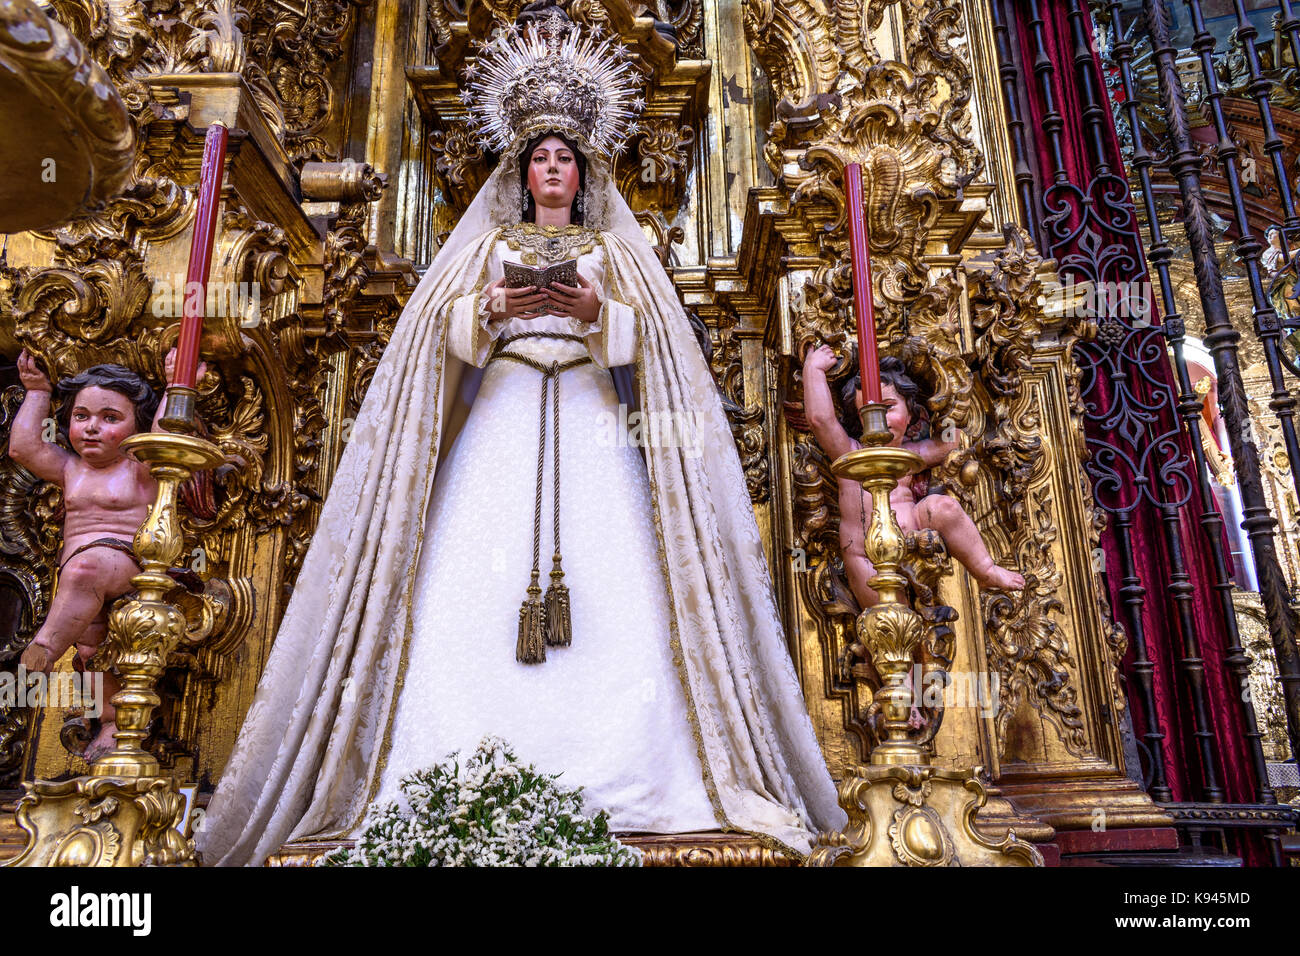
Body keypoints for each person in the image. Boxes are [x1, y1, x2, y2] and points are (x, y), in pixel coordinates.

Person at [195, 9, 844, 866]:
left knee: (624, 583)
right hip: (503, 408)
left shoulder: (618, 247)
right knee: (466, 577)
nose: (551, 168)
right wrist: (491, 308)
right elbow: (441, 341)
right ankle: (446, 772)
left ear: (583, 170)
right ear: (520, 167)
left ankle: (630, 779)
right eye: (539, 156)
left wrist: (594, 313)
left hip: (588, 415)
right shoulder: (487, 244)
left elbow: (649, 349)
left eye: (564, 157)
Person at [10, 347, 203, 759]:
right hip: (78, 582)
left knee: (87, 568)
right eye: (82, 417)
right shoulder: (70, 468)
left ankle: (42, 649)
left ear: (137, 427)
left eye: (110, 418)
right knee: (91, 652)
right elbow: (23, 449)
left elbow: (167, 438)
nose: (92, 428)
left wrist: (175, 385)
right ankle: (114, 721)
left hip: (127, 565)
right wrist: (37, 391)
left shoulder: (139, 468)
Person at [802, 346, 1026, 609]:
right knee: (890, 617)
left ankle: (985, 569)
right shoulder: (850, 453)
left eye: (889, 407)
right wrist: (813, 370)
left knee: (943, 507)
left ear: (910, 415)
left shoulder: (909, 455)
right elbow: (821, 420)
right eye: (867, 411)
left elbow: (950, 442)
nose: (879, 418)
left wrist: (948, 414)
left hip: (914, 540)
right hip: (866, 555)